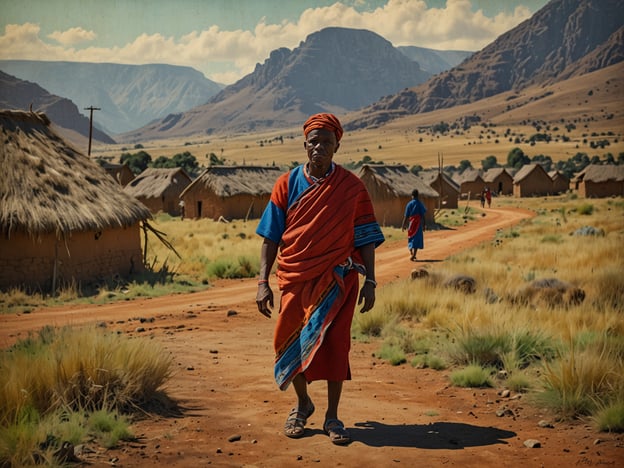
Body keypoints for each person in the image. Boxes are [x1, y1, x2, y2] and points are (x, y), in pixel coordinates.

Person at [255, 113, 385, 446]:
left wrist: (370, 281)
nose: (319, 147)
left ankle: (333, 415)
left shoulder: (352, 188)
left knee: (335, 347)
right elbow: (270, 236)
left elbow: (365, 237)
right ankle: (302, 403)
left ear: (337, 145)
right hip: (295, 278)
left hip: (338, 282)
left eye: (326, 142)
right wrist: (262, 281)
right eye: (314, 141)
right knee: (287, 340)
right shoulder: (286, 184)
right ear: (304, 145)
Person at [401, 189, 426, 262]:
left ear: (412, 196)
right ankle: (414, 254)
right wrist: (424, 225)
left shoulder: (409, 204)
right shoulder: (420, 204)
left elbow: (406, 216)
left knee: (411, 237)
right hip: (418, 224)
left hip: (411, 224)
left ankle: (411, 252)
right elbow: (423, 215)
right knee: (417, 239)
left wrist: (403, 225)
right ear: (418, 196)